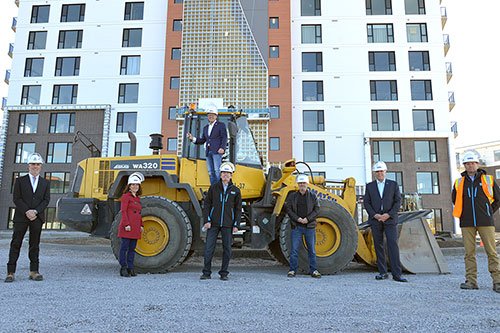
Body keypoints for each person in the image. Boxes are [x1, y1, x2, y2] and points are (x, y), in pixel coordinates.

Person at [452, 152, 500, 293]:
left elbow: (498, 199)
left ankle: (497, 281)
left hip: (485, 221)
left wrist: (488, 211)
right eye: (467, 164)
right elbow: (455, 199)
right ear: (464, 166)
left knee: (491, 252)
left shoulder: (488, 179)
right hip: (466, 222)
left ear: (477, 164)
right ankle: (471, 281)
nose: (470, 165)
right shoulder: (459, 182)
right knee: (469, 253)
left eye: (472, 163)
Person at [5, 153, 50, 283]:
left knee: (34, 245)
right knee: (15, 244)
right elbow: (16, 198)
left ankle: (34, 271)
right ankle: (11, 272)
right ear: (28, 166)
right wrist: (27, 211)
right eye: (33, 164)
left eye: (38, 164)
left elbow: (46, 200)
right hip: (21, 217)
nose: (35, 166)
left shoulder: (45, 183)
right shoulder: (20, 181)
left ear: (40, 166)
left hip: (37, 217)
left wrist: (35, 211)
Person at [364, 161, 408, 282]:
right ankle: (382, 272)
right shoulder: (370, 186)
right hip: (376, 220)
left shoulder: (393, 185)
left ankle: (397, 274)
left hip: (390, 219)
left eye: (381, 171)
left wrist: (388, 215)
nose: (379, 173)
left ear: (385, 172)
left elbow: (397, 202)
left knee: (392, 245)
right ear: (374, 173)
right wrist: (375, 215)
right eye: (377, 171)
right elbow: (366, 203)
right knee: (378, 245)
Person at [200, 162, 241, 281]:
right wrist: (207, 220)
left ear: (231, 175)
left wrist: (236, 224)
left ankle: (224, 273)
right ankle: (206, 272)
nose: (225, 175)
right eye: (223, 173)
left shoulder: (235, 190)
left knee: (227, 249)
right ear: (220, 174)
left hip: (228, 225)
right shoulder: (213, 188)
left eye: (228, 173)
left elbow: (238, 209)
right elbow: (207, 204)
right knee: (208, 248)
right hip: (213, 223)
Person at [286, 174, 321, 278]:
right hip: (296, 227)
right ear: (298, 184)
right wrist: (297, 219)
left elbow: (317, 209)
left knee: (311, 250)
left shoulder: (313, 196)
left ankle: (313, 270)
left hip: (309, 227)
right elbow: (288, 209)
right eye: (300, 183)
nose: (302, 185)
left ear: (307, 184)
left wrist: (307, 219)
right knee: (294, 250)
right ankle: (292, 270)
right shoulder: (293, 197)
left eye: (304, 183)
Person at [186, 106, 228, 185]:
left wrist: (222, 147)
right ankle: (214, 187)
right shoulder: (206, 128)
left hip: (216, 151)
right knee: (210, 171)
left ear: (216, 116)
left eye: (213, 115)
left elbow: (224, 137)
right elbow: (203, 140)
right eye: (209, 115)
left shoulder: (220, 125)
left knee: (217, 170)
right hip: (208, 151)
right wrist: (192, 138)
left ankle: (220, 187)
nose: (211, 116)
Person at [118, 172, 145, 277]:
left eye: (137, 185)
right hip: (127, 227)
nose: (135, 187)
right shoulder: (126, 197)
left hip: (135, 227)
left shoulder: (137, 198)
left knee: (132, 249)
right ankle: (123, 268)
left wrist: (141, 225)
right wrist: (126, 224)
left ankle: (130, 267)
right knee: (124, 248)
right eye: (133, 185)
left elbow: (139, 214)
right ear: (129, 186)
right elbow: (123, 211)